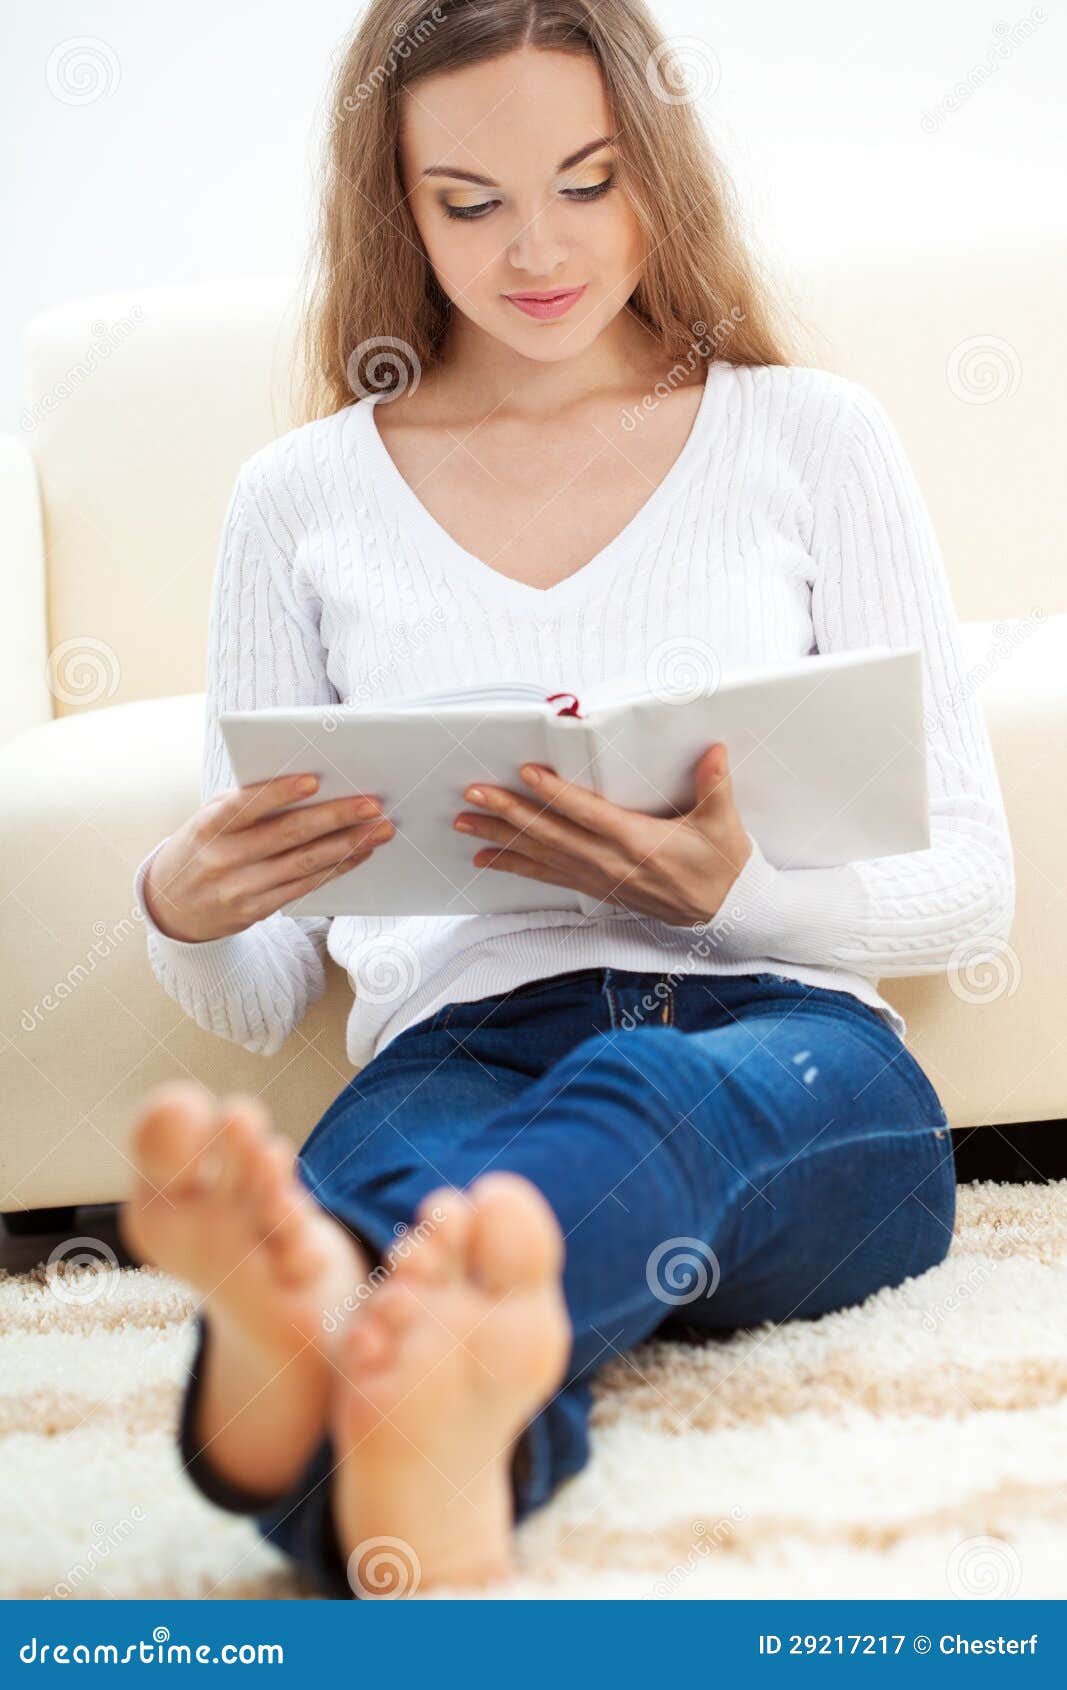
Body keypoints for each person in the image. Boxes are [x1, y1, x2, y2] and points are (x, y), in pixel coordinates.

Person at [119, 0, 1014, 1599]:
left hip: (781, 1037)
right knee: (379, 1209)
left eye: (589, 182)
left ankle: (357, 1348)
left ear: (659, 167)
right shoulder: (301, 500)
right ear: (396, 206)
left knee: (612, 1119)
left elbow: (973, 879)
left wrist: (730, 891)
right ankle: (421, 1434)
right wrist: (182, 908)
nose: (536, 249)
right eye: (470, 203)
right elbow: (263, 992)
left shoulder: (810, 437)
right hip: (459, 1042)